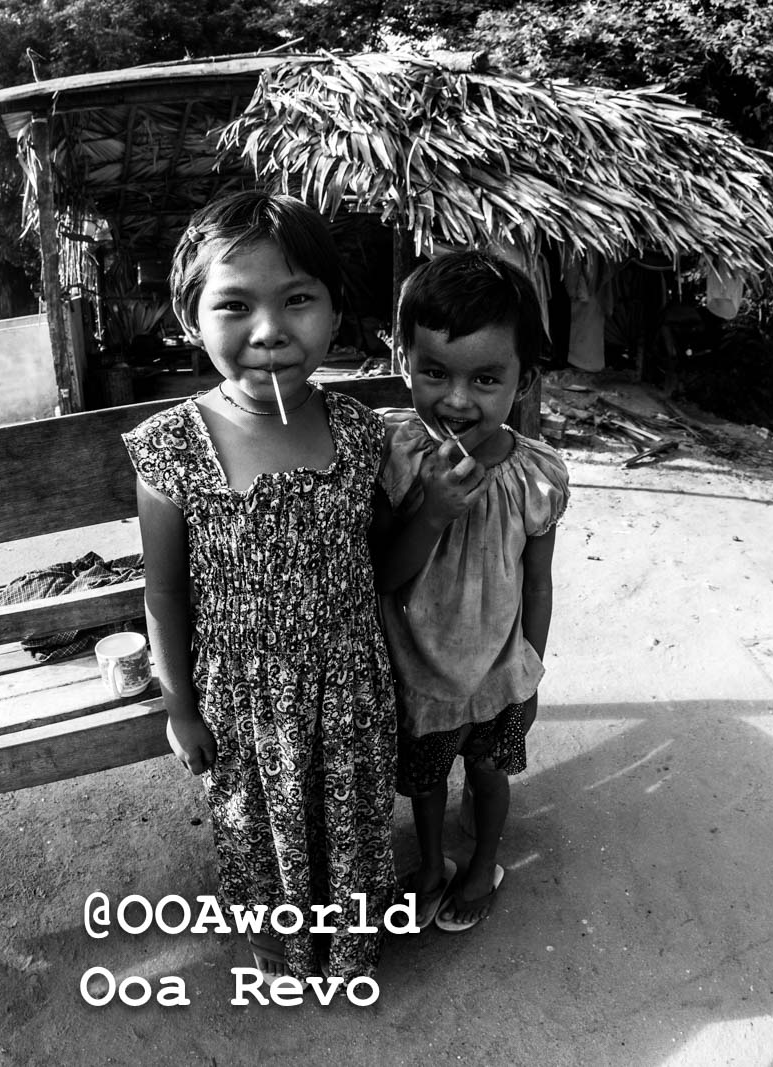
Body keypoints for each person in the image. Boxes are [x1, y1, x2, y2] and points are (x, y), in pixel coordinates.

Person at [122, 191, 396, 980]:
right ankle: (283, 946)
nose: (270, 330)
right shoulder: (172, 448)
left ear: (336, 313)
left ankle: (348, 944)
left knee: (346, 820)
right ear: (189, 317)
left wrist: (439, 507)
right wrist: (178, 703)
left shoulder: (359, 432)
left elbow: (378, 562)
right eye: (234, 304)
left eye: (298, 299)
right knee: (260, 827)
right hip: (241, 700)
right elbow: (165, 592)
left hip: (349, 686)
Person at [376, 250, 569, 933]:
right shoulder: (393, 456)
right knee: (425, 784)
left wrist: (531, 668)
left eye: (485, 378)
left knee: (489, 775)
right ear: (403, 361)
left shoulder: (536, 476)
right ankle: (430, 866)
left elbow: (537, 583)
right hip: (419, 673)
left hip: (498, 674)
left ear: (524, 380)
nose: (457, 401)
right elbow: (384, 575)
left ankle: (483, 860)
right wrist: (429, 509)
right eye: (434, 372)